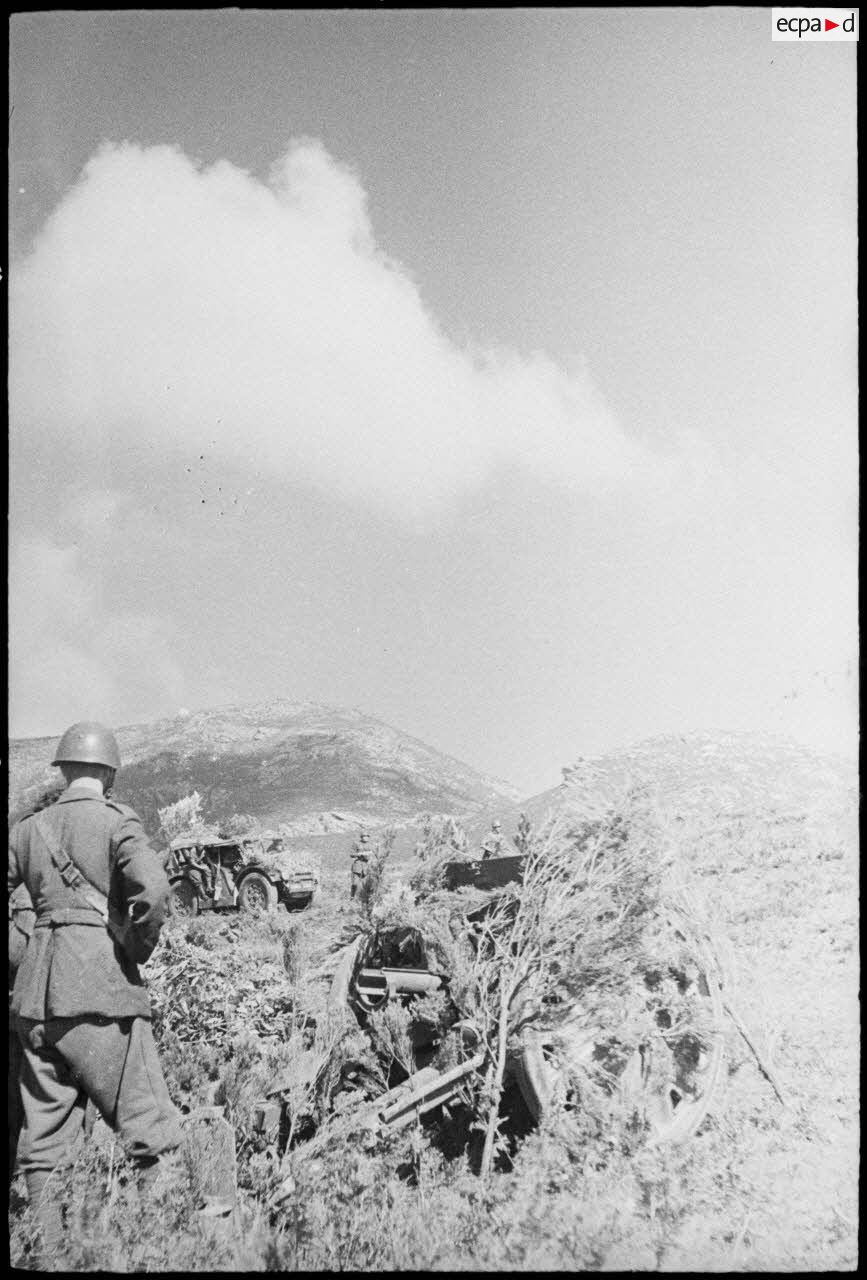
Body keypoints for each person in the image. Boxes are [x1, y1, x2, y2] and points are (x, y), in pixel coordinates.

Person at [8, 721, 183, 1263]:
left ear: (63, 770)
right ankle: (165, 1250)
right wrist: (135, 945)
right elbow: (152, 891)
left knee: (42, 1143)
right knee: (150, 1129)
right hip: (102, 996)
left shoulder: (27, 831)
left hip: (35, 1000)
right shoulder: (117, 823)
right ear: (108, 773)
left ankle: (50, 1257)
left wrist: (26, 951)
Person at [350, 830, 371, 899]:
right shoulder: (356, 843)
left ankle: (364, 898)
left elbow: (374, 854)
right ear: (361, 837)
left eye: (367, 836)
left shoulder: (370, 845)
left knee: (366, 884)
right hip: (358, 865)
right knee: (355, 883)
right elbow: (351, 854)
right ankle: (352, 897)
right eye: (364, 836)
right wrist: (360, 854)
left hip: (366, 866)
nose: (366, 838)